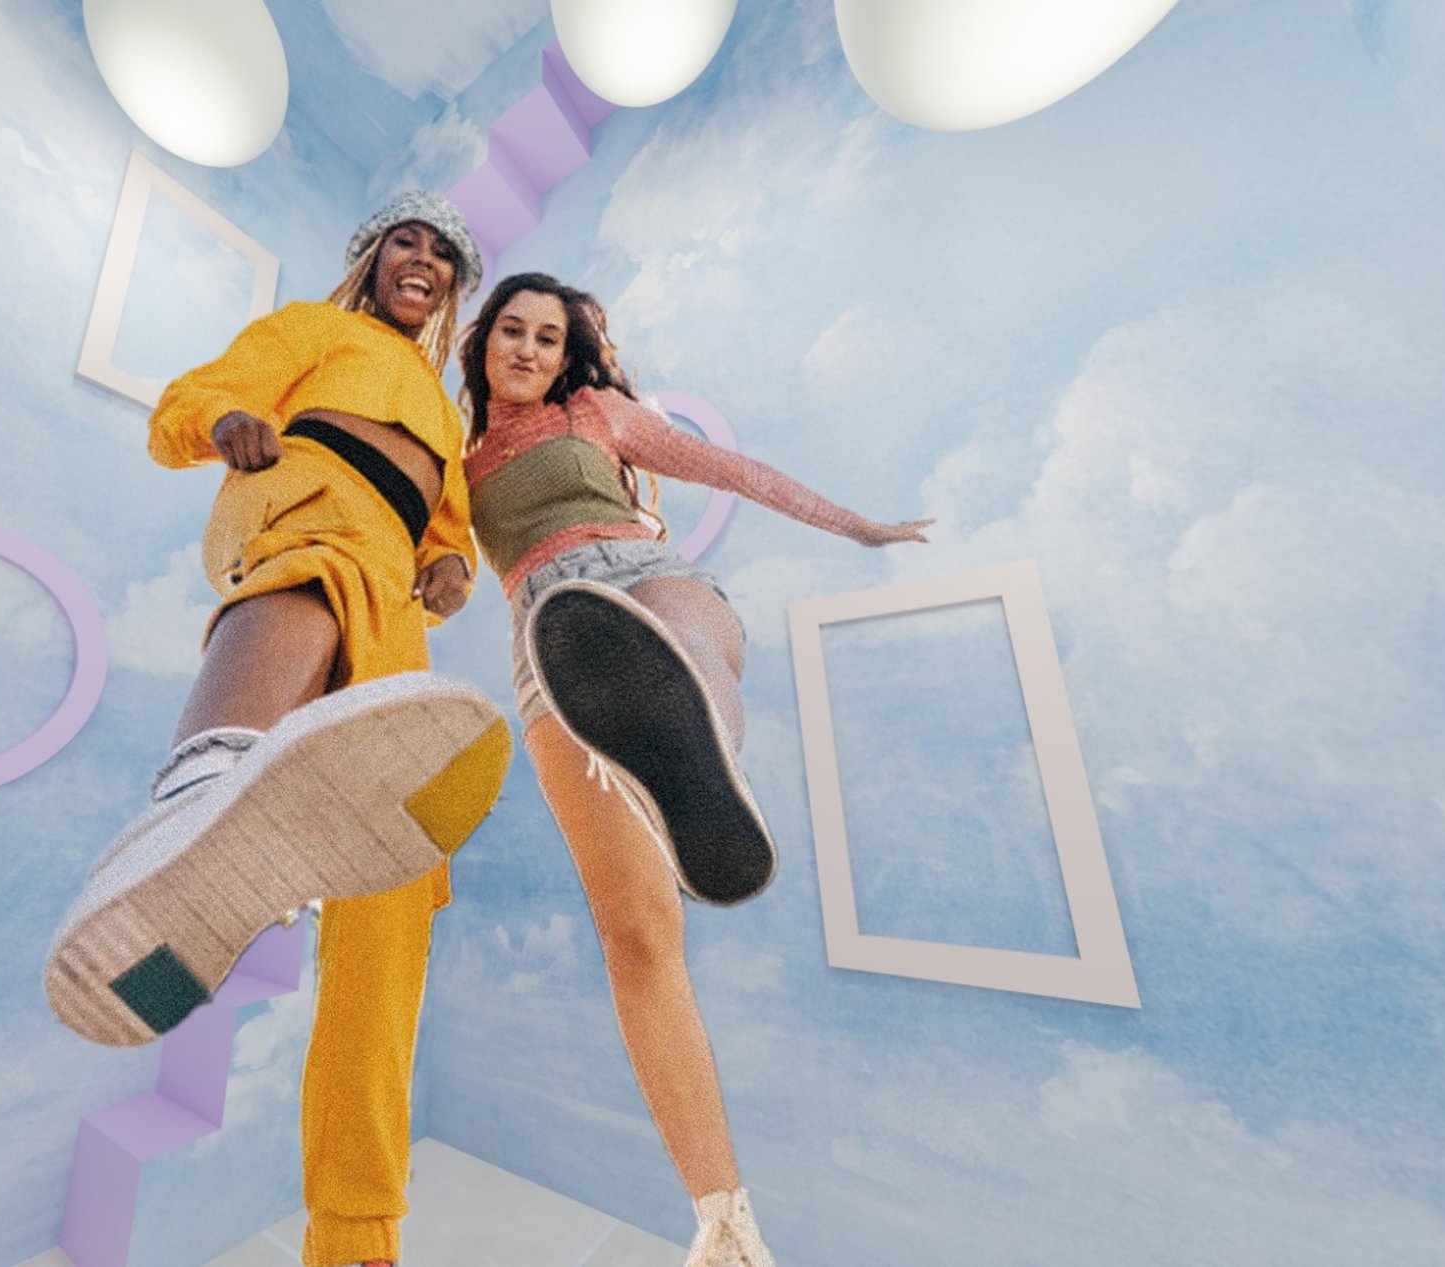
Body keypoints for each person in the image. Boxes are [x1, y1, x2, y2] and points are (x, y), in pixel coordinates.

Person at [46, 192, 512, 1267]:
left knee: (394, 901)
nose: (426, 262)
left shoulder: (446, 411)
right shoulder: (316, 327)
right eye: (409, 241)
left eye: (444, 256)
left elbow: (450, 533)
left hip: (392, 605)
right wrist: (222, 425)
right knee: (331, 557)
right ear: (371, 256)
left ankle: (354, 1235)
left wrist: (451, 565)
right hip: (297, 503)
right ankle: (200, 796)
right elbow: (195, 398)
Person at [457, 273, 931, 1267]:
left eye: (550, 335)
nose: (533, 348)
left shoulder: (597, 410)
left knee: (689, 644)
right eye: (514, 330)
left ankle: (693, 755)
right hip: (551, 644)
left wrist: (861, 527)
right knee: (635, 932)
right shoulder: (456, 466)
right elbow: (421, 565)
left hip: (645, 577)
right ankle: (724, 1219)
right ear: (482, 342)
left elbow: (738, 472)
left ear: (567, 354)